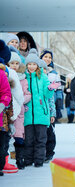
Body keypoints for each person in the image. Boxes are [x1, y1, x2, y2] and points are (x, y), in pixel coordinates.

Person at [24, 49, 58, 167]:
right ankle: (28, 159)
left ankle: (39, 160)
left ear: (37, 65)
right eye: (29, 64)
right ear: (26, 65)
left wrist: (50, 89)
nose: (32, 67)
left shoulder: (43, 77)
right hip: (28, 115)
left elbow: (47, 95)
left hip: (41, 114)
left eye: (34, 64)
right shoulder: (24, 78)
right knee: (28, 140)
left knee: (41, 139)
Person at [7, 50, 31, 170]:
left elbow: (27, 95)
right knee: (7, 137)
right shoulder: (6, 76)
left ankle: (19, 159)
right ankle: (8, 160)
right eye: (12, 63)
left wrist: (21, 100)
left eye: (17, 63)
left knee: (19, 137)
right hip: (7, 111)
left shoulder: (23, 79)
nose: (15, 66)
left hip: (19, 113)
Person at [37, 59, 57, 163]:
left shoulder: (49, 82)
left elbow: (51, 100)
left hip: (48, 113)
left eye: (45, 69)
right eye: (41, 69)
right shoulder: (36, 82)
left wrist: (52, 113)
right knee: (41, 136)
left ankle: (49, 153)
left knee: (50, 135)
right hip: (39, 115)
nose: (43, 70)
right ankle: (41, 153)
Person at [40, 48, 63, 123]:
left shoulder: (54, 73)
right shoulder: (36, 70)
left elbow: (58, 88)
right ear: (41, 57)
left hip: (51, 102)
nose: (48, 59)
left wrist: (59, 100)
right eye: (45, 56)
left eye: (50, 57)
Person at [0, 40, 12, 176]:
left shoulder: (1, 74)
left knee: (2, 144)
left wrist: (2, 104)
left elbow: (6, 93)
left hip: (1, 116)